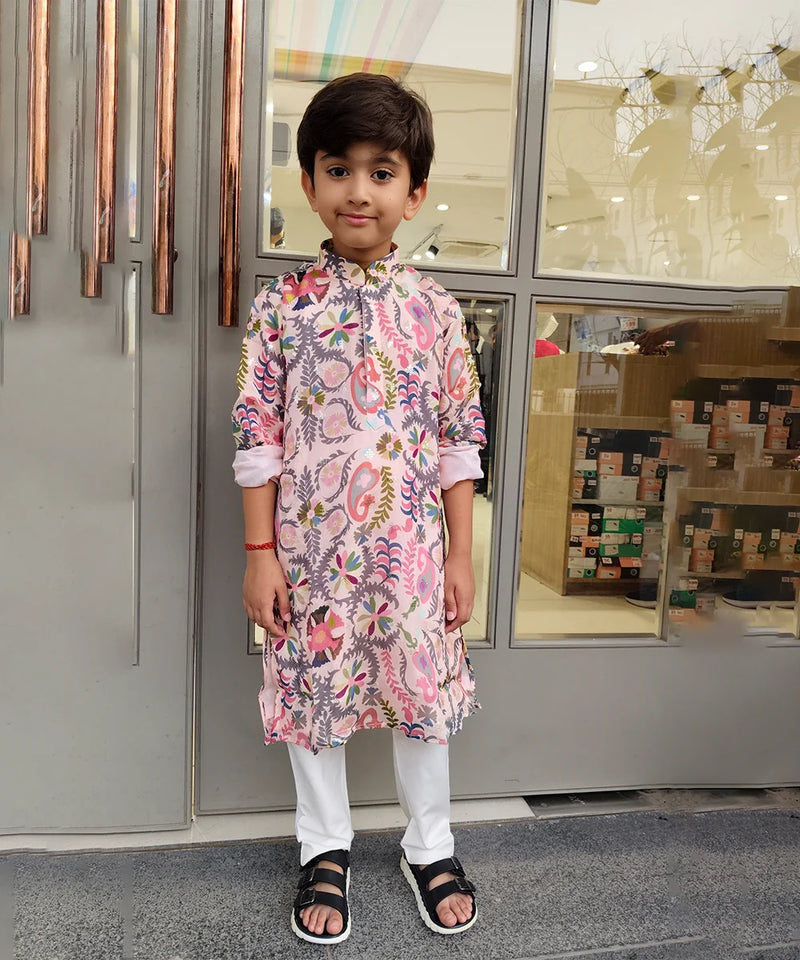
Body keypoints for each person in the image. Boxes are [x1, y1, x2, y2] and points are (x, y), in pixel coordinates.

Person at [231, 73, 485, 944]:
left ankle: (431, 842)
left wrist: (459, 554)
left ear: (413, 194)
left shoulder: (440, 313)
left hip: (411, 553)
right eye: (338, 168)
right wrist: (260, 551)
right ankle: (324, 844)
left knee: (421, 695)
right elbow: (257, 439)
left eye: (383, 172)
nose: (358, 190)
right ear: (308, 184)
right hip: (308, 552)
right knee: (313, 695)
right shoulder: (280, 310)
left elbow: (459, 442)